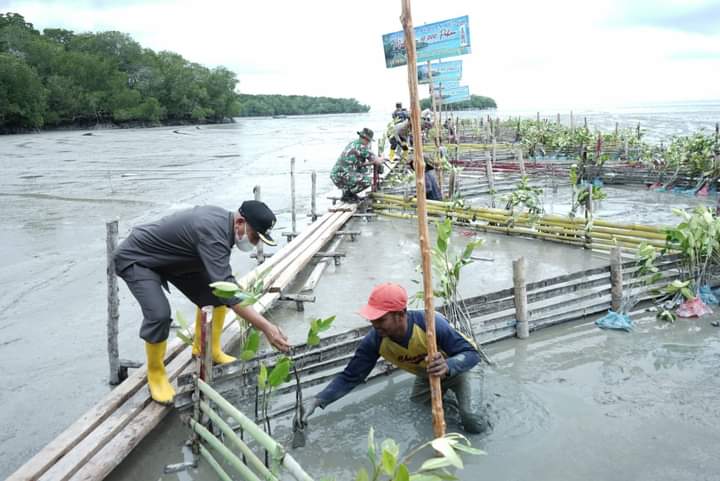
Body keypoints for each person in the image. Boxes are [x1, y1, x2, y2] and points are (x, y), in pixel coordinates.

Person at [114, 201, 291, 404]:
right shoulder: (212, 231)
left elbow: (223, 287)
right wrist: (266, 327)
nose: (254, 243)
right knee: (159, 314)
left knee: (214, 295)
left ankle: (207, 349)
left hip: (176, 259)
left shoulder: (225, 227)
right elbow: (229, 290)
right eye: (254, 237)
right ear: (240, 222)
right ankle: (156, 374)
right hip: (139, 259)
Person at [298, 283, 489, 434]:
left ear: (401, 315)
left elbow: (472, 354)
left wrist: (448, 365)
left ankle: (477, 407)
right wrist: (317, 400)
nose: (375, 325)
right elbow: (350, 377)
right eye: (372, 320)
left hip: (461, 367)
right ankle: (453, 401)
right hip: (428, 374)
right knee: (419, 412)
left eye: (381, 319)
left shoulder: (430, 324)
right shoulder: (375, 341)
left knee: (473, 421)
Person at [330, 128, 384, 202]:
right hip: (343, 175)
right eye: (369, 141)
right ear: (367, 140)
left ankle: (349, 194)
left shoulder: (353, 143)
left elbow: (357, 163)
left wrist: (370, 162)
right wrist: (382, 158)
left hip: (336, 175)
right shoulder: (362, 147)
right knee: (367, 181)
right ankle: (348, 195)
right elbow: (378, 161)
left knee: (363, 170)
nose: (368, 143)